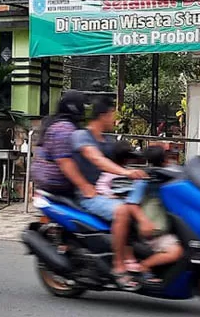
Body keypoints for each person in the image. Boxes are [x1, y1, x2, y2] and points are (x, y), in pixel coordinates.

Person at [71, 97, 153, 290]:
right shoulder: (82, 136)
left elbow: (121, 157)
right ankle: (118, 266)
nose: (115, 117)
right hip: (88, 194)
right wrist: (126, 172)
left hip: (105, 191)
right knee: (123, 211)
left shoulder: (107, 141)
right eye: (113, 113)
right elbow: (97, 159)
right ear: (104, 115)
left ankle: (140, 259)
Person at [96, 145, 183, 285]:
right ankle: (143, 266)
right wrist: (143, 221)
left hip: (166, 225)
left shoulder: (170, 175)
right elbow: (131, 203)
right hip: (155, 229)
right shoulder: (144, 180)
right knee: (175, 251)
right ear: (165, 160)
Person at [32, 90, 96, 200]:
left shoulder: (55, 123)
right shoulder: (64, 128)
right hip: (57, 182)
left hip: (52, 183)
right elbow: (64, 161)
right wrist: (85, 186)